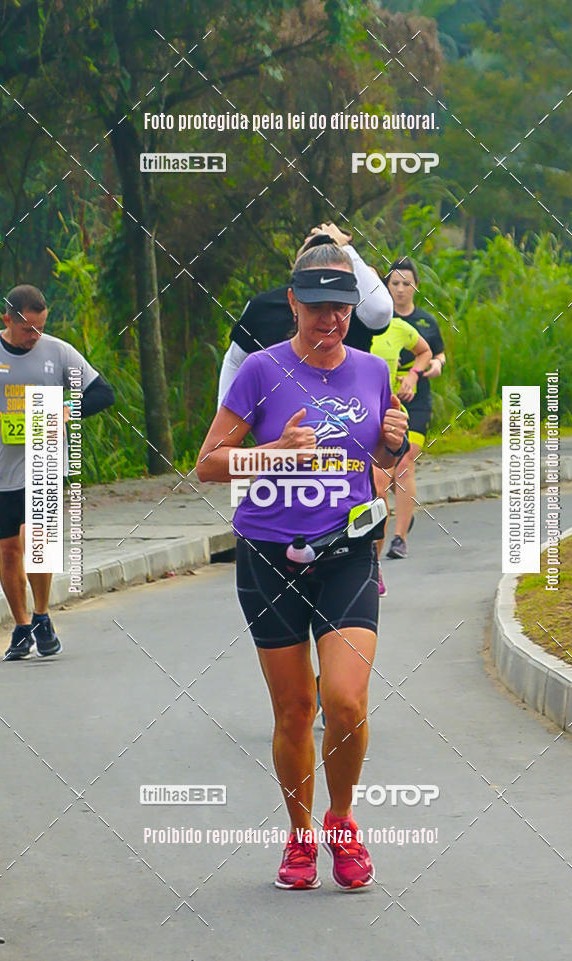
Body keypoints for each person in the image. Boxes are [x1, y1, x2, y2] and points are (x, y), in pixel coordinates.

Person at [197, 243, 408, 891]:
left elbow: (373, 452)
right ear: (293, 302)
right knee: (296, 709)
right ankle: (299, 834)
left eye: (342, 307)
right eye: (317, 307)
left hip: (346, 548)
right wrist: (274, 454)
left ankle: (340, 820)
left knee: (344, 700)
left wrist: (390, 445)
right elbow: (207, 464)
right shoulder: (260, 371)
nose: (331, 320)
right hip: (266, 554)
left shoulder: (373, 371)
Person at [0, 284, 115, 660]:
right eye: (28, 329)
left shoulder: (58, 351)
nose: (35, 336)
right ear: (6, 318)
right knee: (9, 549)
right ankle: (23, 625)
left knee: (37, 541)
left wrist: (66, 410)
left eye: (41, 327)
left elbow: (102, 393)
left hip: (44, 459)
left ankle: (43, 613)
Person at [217, 221, 393, 406]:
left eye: (329, 250)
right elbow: (235, 361)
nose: (328, 318)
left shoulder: (354, 307)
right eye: (314, 307)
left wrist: (346, 249)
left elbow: (381, 310)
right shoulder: (263, 307)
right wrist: (227, 419)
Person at [383, 258, 446, 559]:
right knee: (386, 470)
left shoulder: (425, 321)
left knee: (405, 459)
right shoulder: (377, 320)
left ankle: (399, 538)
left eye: (405, 283)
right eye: (394, 283)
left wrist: (434, 366)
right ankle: (404, 515)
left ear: (415, 286)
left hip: (417, 401)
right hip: (384, 400)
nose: (399, 289)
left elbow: (438, 353)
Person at [370, 318, 431, 594]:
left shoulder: (396, 327)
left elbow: (425, 351)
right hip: (345, 415)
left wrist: (412, 374)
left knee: (379, 488)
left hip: (386, 417)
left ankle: (374, 563)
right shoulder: (338, 323)